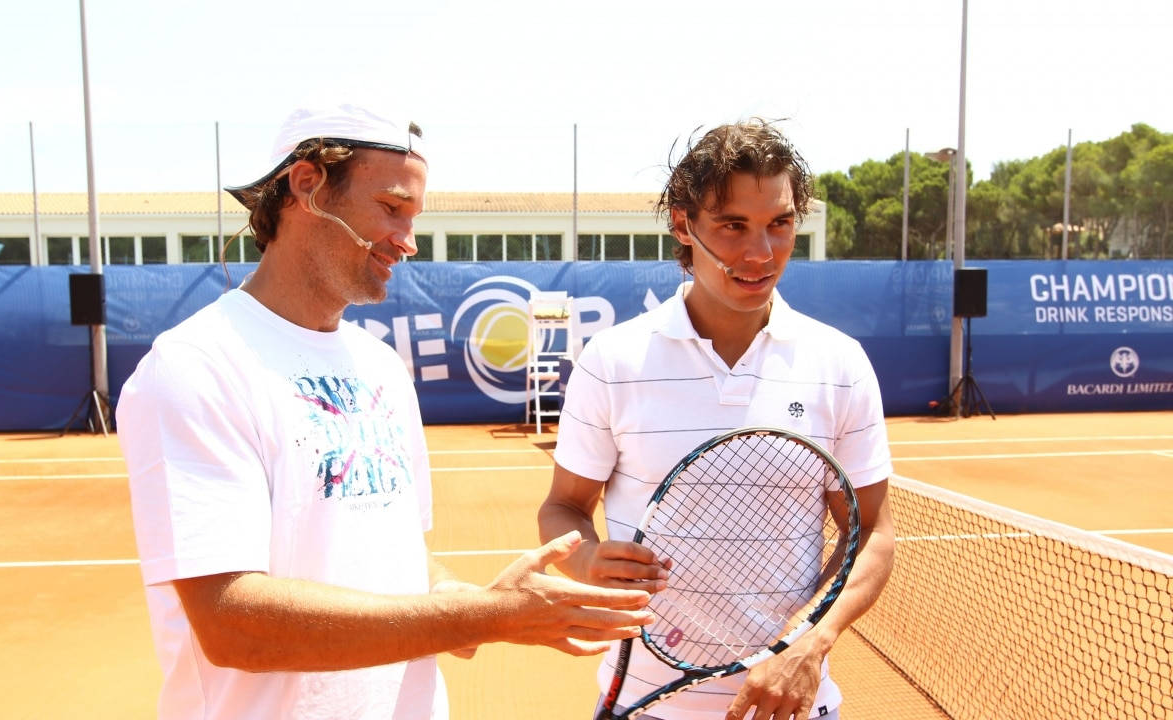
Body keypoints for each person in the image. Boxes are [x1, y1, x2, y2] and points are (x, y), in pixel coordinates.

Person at [116, 102, 655, 720]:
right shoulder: (194, 366)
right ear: (308, 187)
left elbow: (399, 556)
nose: (409, 239)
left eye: (413, 215)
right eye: (392, 209)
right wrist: (485, 615)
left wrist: (464, 597)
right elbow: (234, 625)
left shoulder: (380, 368)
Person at [538, 119, 896, 720]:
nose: (761, 254)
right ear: (684, 225)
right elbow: (563, 508)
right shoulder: (611, 361)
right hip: (643, 704)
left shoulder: (840, 363)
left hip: (794, 707)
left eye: (779, 224)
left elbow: (872, 534)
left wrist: (808, 642)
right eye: (733, 226)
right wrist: (584, 557)